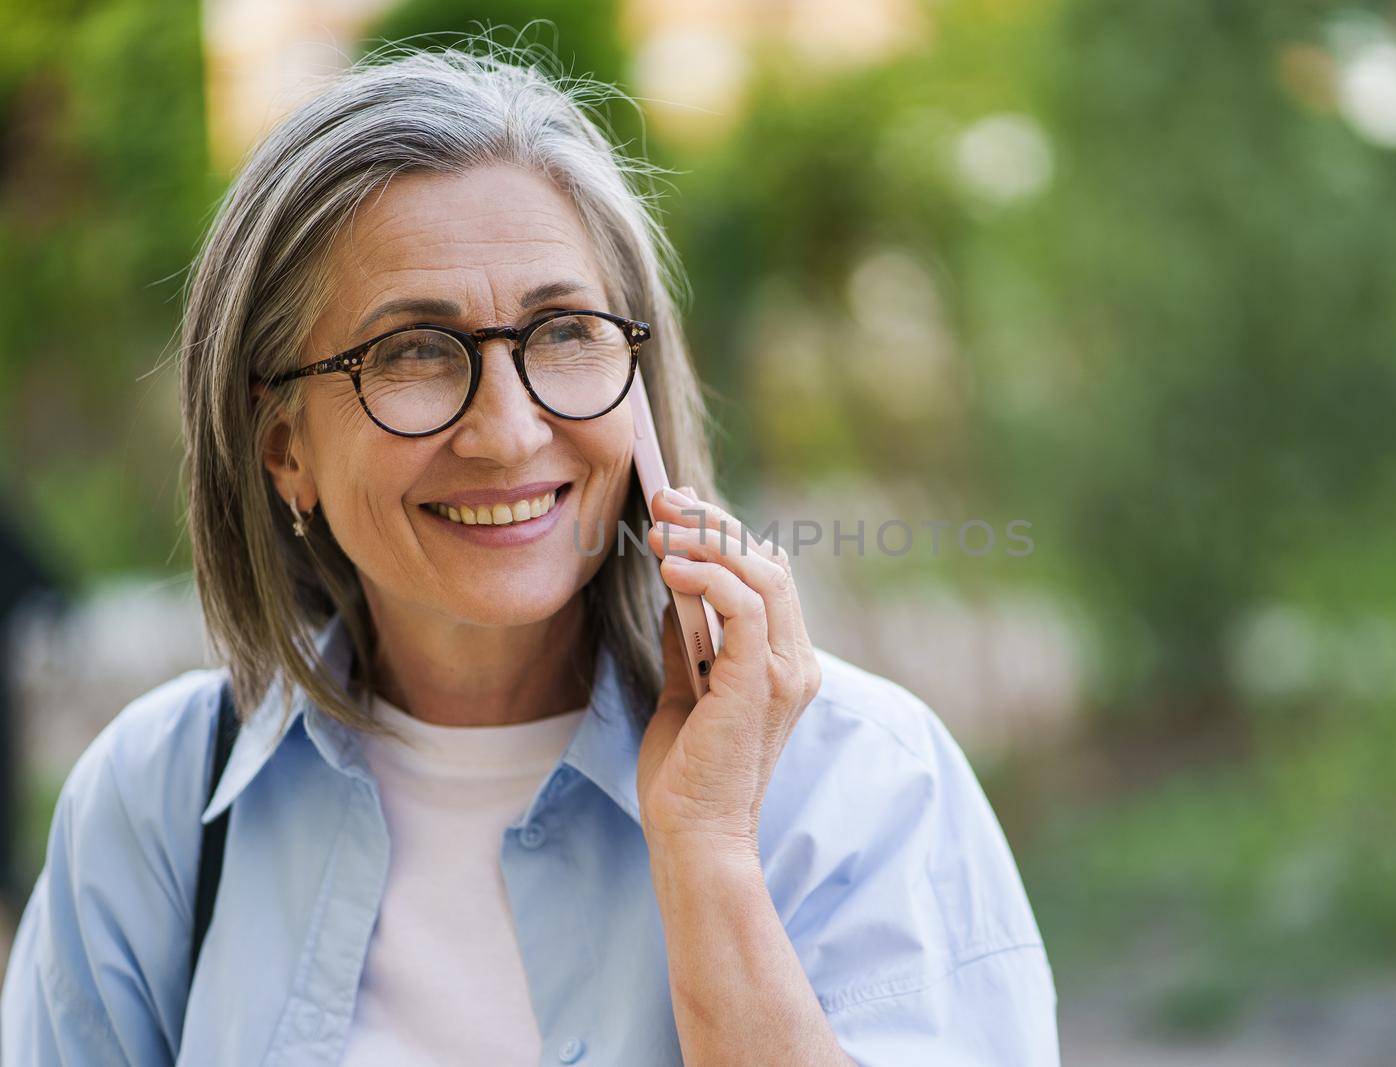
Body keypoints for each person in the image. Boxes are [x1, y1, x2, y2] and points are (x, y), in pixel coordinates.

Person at [0, 43, 1059, 1066]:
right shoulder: (153, 804)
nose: (506, 433)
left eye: (565, 331)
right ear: (284, 447)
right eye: (411, 351)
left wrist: (711, 853)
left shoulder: (862, 781)